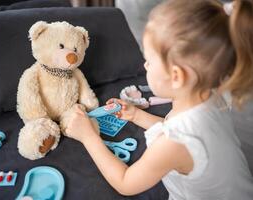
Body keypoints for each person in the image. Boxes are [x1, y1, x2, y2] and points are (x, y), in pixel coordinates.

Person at [65, 0, 253, 199]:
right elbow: (177, 128)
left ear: (176, 76)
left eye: (149, 60)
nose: (145, 66)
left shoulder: (173, 144)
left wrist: (88, 137)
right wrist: (137, 115)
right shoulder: (212, 93)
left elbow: (125, 182)